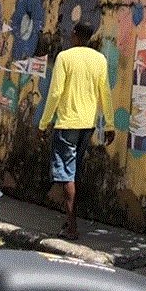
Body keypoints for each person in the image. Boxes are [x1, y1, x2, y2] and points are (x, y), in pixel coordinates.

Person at [39, 22, 115, 240]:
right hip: (87, 125)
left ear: (74, 34)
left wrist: (44, 123)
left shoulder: (65, 57)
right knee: (73, 171)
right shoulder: (99, 59)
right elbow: (105, 94)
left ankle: (71, 226)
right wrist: (109, 124)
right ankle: (68, 222)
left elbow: (55, 94)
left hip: (67, 123)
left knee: (67, 174)